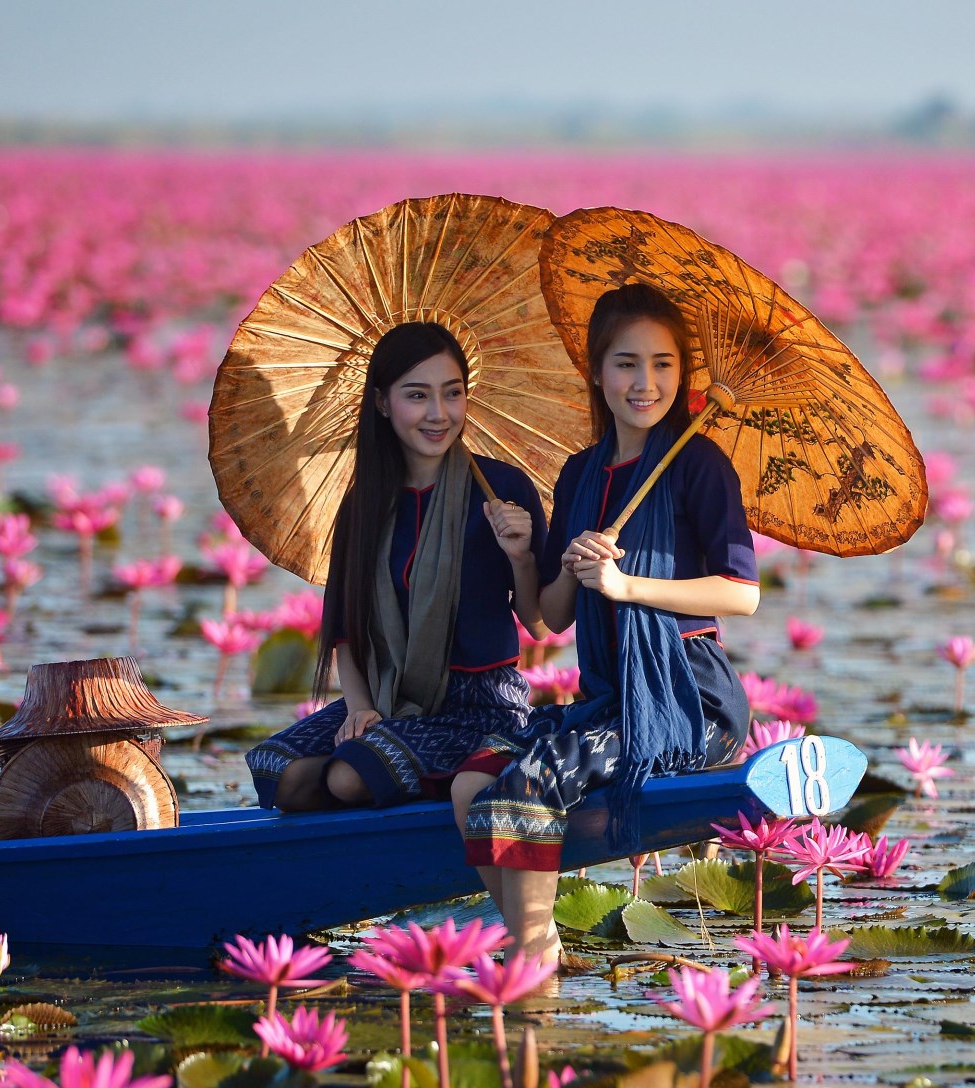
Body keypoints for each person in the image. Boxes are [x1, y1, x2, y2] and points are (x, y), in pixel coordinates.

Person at [464, 283, 758, 962]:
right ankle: (534, 942)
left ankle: (532, 961)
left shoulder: (699, 466)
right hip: (609, 699)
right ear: (596, 372)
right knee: (479, 774)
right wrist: (549, 563)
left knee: (529, 780)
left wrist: (627, 585)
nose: (645, 382)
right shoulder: (579, 474)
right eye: (626, 363)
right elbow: (552, 618)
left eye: (663, 364)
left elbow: (742, 594)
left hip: (690, 701)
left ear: (683, 374)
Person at [245, 321, 548, 841]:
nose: (438, 414)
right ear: (383, 403)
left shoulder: (501, 488)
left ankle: (429, 796)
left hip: (479, 705)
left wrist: (520, 557)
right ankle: (375, 812)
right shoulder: (365, 502)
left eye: (452, 394)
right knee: (281, 772)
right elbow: (346, 629)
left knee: (348, 776)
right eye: (417, 396)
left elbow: (540, 622)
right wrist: (361, 707)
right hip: (389, 693)